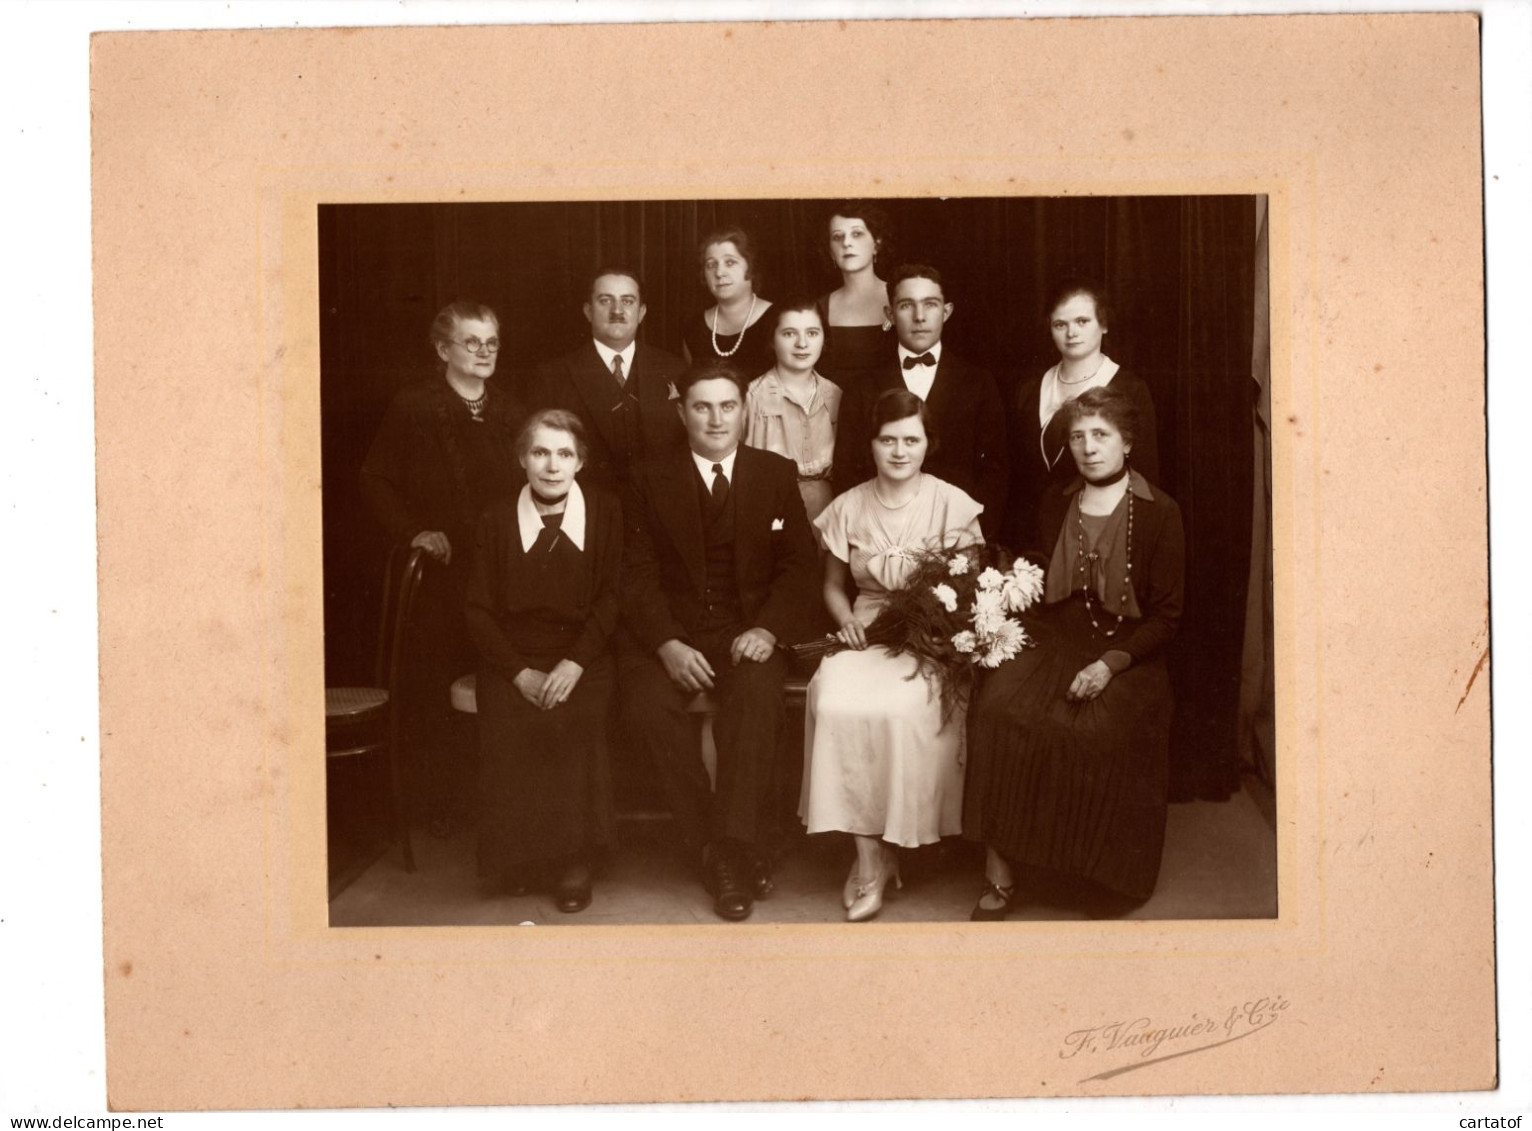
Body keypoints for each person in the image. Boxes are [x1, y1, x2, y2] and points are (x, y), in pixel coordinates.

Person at [964, 385, 1184, 919]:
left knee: (1095, 729)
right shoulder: (1056, 500)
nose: (1088, 447)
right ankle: (1002, 869)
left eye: (1101, 435)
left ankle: (1090, 873)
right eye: (1078, 436)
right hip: (1056, 637)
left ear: (1126, 442)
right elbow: (1038, 577)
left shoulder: (1160, 512)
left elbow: (1167, 618)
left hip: (1126, 650)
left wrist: (1110, 665)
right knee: (997, 708)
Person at [619, 357, 819, 922]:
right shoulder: (646, 476)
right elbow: (634, 575)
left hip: (746, 631)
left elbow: (800, 568)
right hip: (670, 634)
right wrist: (666, 643)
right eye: (701, 407)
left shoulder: (775, 472)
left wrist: (767, 628)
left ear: (744, 411)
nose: (715, 419)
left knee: (756, 702)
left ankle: (727, 847)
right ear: (681, 412)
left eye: (726, 406)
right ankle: (720, 847)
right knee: (646, 709)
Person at [800, 389, 984, 922]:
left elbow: (964, 591)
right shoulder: (850, 505)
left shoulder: (952, 503)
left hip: (928, 635)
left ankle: (892, 848)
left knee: (903, 710)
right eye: (887, 440)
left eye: (911, 439)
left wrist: (933, 626)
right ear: (872, 445)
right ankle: (868, 859)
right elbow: (833, 586)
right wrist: (848, 622)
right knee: (834, 702)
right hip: (865, 632)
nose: (899, 451)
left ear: (929, 443)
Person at [359, 300, 524, 835]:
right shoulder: (415, 405)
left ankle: (499, 811)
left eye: (491, 342)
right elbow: (375, 480)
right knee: (442, 687)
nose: (483, 352)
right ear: (443, 349)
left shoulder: (508, 409)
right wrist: (415, 532)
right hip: (442, 577)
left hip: (501, 575)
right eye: (471, 342)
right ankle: (447, 813)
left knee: (499, 680)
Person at [464, 410, 622, 913]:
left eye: (563, 454)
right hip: (513, 656)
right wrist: (518, 672)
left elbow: (613, 599)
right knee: (512, 724)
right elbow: (477, 610)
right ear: (522, 459)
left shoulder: (605, 511)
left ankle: (575, 859)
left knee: (573, 720)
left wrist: (574, 663)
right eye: (540, 452)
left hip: (584, 652)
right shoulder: (493, 518)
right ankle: (522, 856)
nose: (551, 466)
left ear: (580, 462)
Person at [832, 264, 1009, 541]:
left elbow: (995, 473)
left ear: (946, 312)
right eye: (906, 305)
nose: (919, 316)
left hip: (957, 539)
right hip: (881, 541)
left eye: (931, 304)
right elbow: (846, 472)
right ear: (889, 314)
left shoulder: (978, 382)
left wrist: (971, 538)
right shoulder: (862, 387)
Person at [1006, 279, 1159, 552]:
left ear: (1104, 325)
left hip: (1100, 537)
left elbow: (1145, 475)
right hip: (1032, 541)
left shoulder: (1128, 387)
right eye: (1060, 324)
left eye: (1082, 321)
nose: (1071, 333)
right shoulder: (1029, 388)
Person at [522, 266, 686, 493]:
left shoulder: (675, 369)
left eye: (627, 301)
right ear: (588, 311)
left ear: (641, 312)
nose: (617, 310)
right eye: (605, 300)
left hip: (661, 513)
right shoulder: (552, 378)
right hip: (588, 514)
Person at [743, 297, 843, 521]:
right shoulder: (750, 398)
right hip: (769, 513)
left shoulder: (836, 395)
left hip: (831, 514)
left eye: (812, 333)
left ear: (824, 338)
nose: (802, 344)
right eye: (789, 334)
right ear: (772, 340)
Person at [680, 225, 776, 383]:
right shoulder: (694, 329)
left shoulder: (780, 319)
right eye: (711, 264)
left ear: (750, 266)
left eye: (730, 262)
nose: (719, 273)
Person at [816, 203, 896, 391]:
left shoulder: (900, 299)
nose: (846, 243)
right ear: (830, 252)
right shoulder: (819, 308)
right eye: (837, 237)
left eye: (857, 234)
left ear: (877, 244)